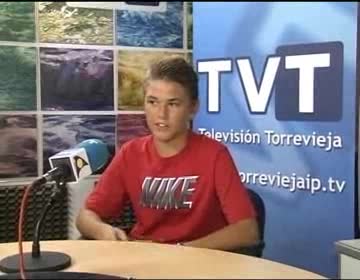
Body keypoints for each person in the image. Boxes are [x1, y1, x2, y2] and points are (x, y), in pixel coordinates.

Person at [76, 56, 259, 251]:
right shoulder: (131, 153)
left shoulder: (215, 155)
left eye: (173, 104)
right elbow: (85, 217)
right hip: (143, 259)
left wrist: (180, 251)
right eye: (153, 102)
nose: (161, 114)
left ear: (192, 108)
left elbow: (247, 231)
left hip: (196, 263)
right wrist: (103, 231)